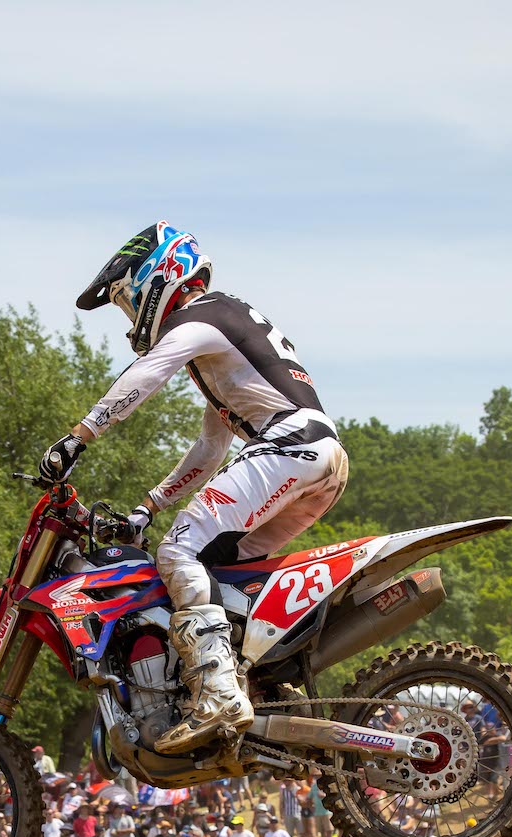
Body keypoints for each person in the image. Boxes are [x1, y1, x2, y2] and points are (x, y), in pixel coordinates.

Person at [47, 222, 348, 752]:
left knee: (179, 551)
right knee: (219, 579)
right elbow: (211, 449)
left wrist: (78, 436)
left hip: (289, 446)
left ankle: (218, 697)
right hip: (316, 457)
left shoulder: (203, 314)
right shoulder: (223, 332)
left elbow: (149, 371)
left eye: (125, 300)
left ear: (156, 276)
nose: (128, 315)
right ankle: (266, 689)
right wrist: (147, 508)